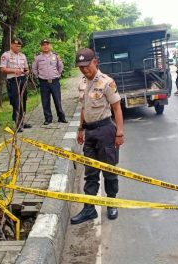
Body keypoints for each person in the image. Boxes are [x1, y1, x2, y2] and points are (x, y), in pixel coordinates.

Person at [71, 48, 124, 225]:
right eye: (80, 67)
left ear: (95, 62)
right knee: (90, 172)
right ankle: (89, 208)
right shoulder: (82, 83)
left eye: (87, 65)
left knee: (109, 170)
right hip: (90, 132)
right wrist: (80, 129)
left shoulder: (106, 82)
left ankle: (111, 203)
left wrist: (119, 133)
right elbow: (84, 108)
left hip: (105, 131)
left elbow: (117, 108)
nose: (84, 70)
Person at [32, 39, 67, 125]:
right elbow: (34, 68)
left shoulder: (56, 56)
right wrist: (38, 76)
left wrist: (57, 74)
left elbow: (60, 66)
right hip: (43, 82)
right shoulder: (37, 57)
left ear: (50, 46)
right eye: (43, 45)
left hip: (55, 81)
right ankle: (48, 119)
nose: (45, 46)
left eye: (47, 44)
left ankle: (61, 117)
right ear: (41, 47)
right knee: (45, 101)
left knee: (57, 100)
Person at [0, 38, 31, 132]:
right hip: (13, 81)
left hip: (22, 79)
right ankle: (18, 124)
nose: (18, 48)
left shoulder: (22, 56)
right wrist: (14, 70)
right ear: (11, 45)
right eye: (16, 46)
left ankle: (22, 121)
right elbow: (2, 69)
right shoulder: (6, 55)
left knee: (23, 101)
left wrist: (27, 72)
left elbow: (26, 68)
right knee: (16, 102)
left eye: (19, 46)